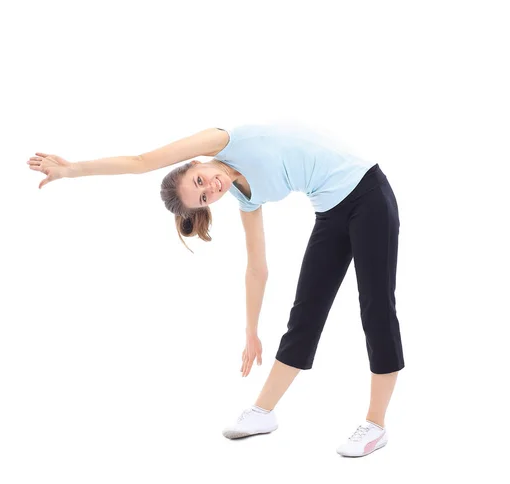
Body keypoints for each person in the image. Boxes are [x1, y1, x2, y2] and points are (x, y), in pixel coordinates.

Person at [27, 123, 404, 457]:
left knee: (376, 308)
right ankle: (263, 413)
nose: (211, 188)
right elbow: (257, 269)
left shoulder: (224, 139)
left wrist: (73, 169)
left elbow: (142, 161)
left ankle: (375, 425)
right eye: (205, 197)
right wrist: (251, 330)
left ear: (196, 164)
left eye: (200, 182)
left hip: (369, 192)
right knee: (305, 314)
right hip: (332, 210)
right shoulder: (247, 198)